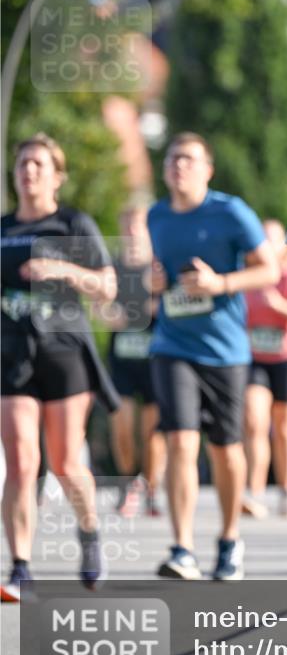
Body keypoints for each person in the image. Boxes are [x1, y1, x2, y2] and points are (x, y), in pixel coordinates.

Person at [148, 132, 279, 581]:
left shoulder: (230, 212)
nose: (178, 166)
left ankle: (228, 540)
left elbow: (269, 269)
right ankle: (182, 547)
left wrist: (219, 284)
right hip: (172, 344)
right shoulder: (156, 215)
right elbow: (156, 277)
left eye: (188, 159)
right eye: (172, 159)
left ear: (208, 170)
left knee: (225, 449)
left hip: (224, 350)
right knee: (181, 441)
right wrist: (151, 282)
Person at [1, 134, 119, 602]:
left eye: (38, 164)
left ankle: (89, 532)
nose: (29, 171)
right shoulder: (3, 227)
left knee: (66, 462)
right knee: (21, 461)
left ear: (57, 176)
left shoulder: (73, 224)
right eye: (22, 164)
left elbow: (108, 287)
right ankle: (20, 568)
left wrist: (64, 271)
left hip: (64, 349)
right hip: (12, 353)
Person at [97, 205, 166, 517]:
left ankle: (151, 490)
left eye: (138, 227)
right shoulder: (112, 267)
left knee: (152, 433)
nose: (132, 233)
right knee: (122, 427)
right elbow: (99, 305)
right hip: (122, 358)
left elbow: (170, 304)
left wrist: (145, 309)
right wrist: (108, 313)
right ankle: (127, 485)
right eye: (127, 227)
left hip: (155, 359)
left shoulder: (159, 267)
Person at [243, 219, 287, 521]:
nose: (267, 245)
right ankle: (254, 492)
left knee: (284, 426)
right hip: (254, 358)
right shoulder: (249, 276)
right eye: (263, 239)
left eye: (273, 239)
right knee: (254, 421)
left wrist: (279, 305)